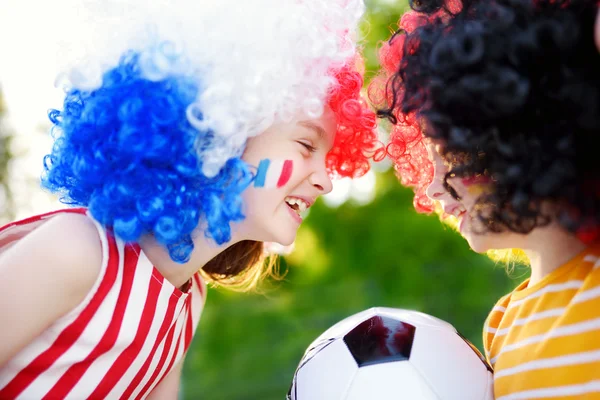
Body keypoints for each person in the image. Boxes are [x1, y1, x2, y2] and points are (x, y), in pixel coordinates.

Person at [0, 0, 381, 398]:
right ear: (221, 133)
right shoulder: (78, 252)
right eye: (306, 144)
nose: (326, 181)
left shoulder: (187, 300)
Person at [373, 0, 600, 398]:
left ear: (524, 139)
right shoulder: (500, 325)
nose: (433, 186)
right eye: (431, 159)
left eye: (454, 154)